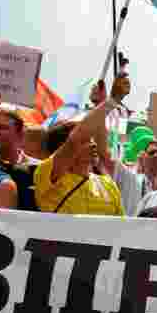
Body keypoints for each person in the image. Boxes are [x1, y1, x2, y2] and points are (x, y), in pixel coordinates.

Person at [31, 76, 127, 216]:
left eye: (91, 139)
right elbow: (77, 137)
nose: (93, 144)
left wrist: (102, 103)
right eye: (86, 140)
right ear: (62, 148)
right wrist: (111, 102)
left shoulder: (108, 185)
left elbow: (120, 230)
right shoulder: (47, 176)